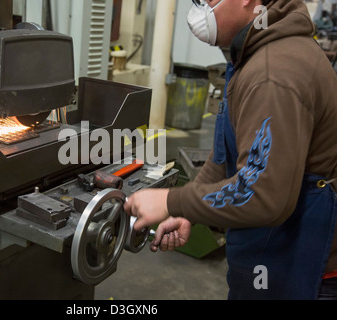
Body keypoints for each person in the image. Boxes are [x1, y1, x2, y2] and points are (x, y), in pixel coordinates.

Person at [124, 0, 337, 300]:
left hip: (303, 271)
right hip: (269, 256)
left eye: (205, 0)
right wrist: (189, 211)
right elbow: (225, 155)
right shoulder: (254, 52)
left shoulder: (274, 72)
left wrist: (172, 200)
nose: (198, 10)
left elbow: (264, 194)